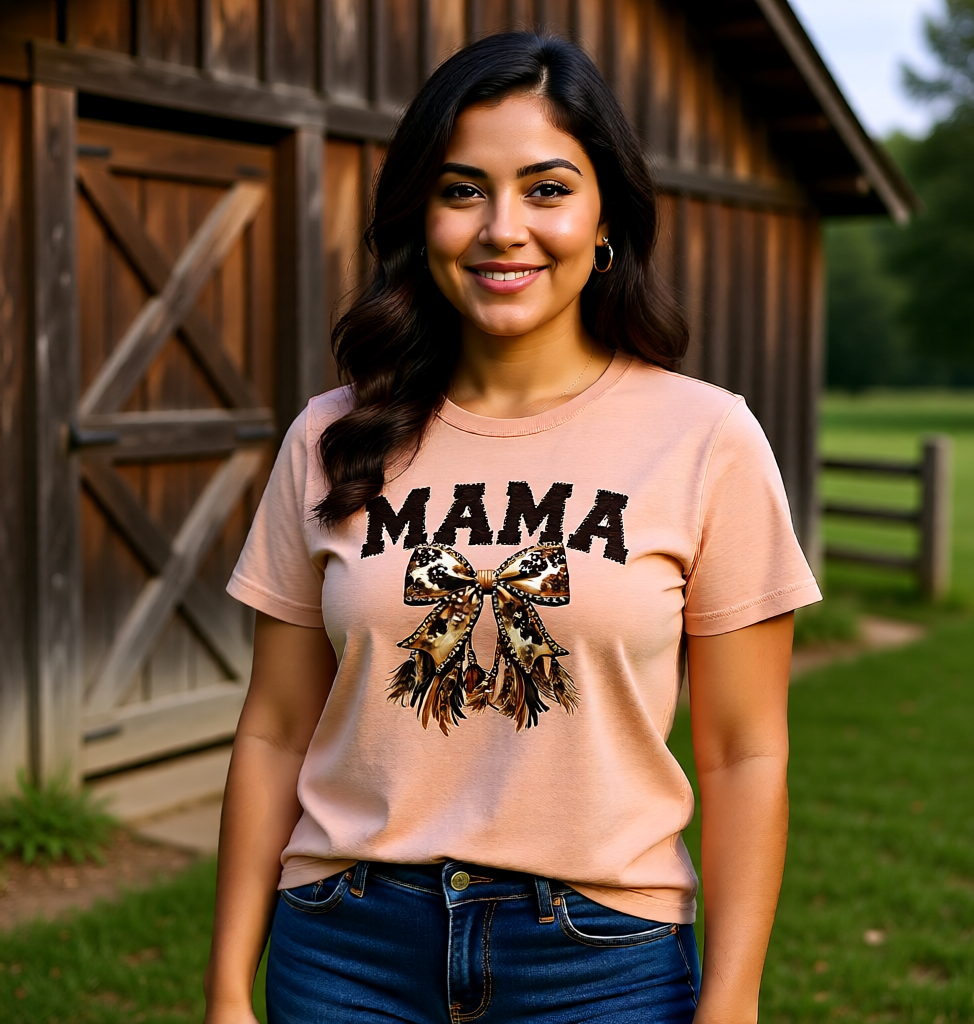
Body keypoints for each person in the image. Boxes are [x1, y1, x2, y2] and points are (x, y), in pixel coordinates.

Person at [203, 31, 821, 1024]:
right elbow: (275, 728)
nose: (502, 228)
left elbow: (746, 750)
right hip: (344, 948)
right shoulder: (332, 434)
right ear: (421, 218)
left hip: (598, 960)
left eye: (545, 188)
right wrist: (229, 984)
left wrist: (734, 998)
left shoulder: (706, 437)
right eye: (462, 190)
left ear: (605, 217)